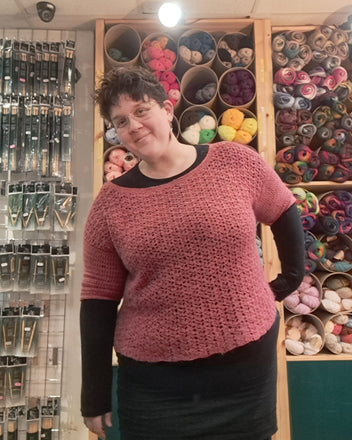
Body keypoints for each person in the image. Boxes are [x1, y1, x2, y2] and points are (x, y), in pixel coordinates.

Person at [80, 65, 305, 440]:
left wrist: (289, 280)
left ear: (168, 110)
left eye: (141, 110)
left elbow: (283, 208)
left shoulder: (234, 161)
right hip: (155, 384)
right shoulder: (111, 205)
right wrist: (94, 393)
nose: (133, 125)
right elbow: (98, 300)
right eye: (120, 121)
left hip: (245, 370)